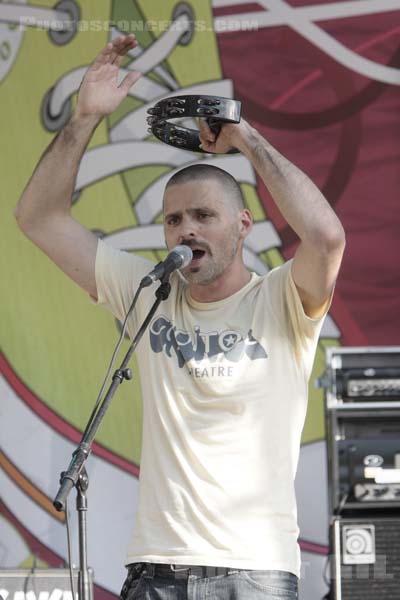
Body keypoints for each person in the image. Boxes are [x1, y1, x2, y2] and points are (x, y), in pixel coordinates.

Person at [15, 34, 345, 600]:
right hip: (156, 569)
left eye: (203, 215)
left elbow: (326, 235)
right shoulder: (149, 292)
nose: (186, 229)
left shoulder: (282, 298)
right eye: (173, 221)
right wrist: (85, 118)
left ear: (243, 225)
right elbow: (37, 217)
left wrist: (247, 140)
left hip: (255, 572)